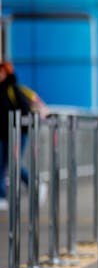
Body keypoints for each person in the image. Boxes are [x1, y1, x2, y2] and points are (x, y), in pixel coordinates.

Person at [0, 62, 48, 211]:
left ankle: (35, 185)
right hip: (2, 134)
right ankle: (1, 197)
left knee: (14, 164)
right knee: (2, 165)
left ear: (6, 73)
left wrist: (19, 127)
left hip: (17, 133)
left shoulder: (14, 90)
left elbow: (25, 111)